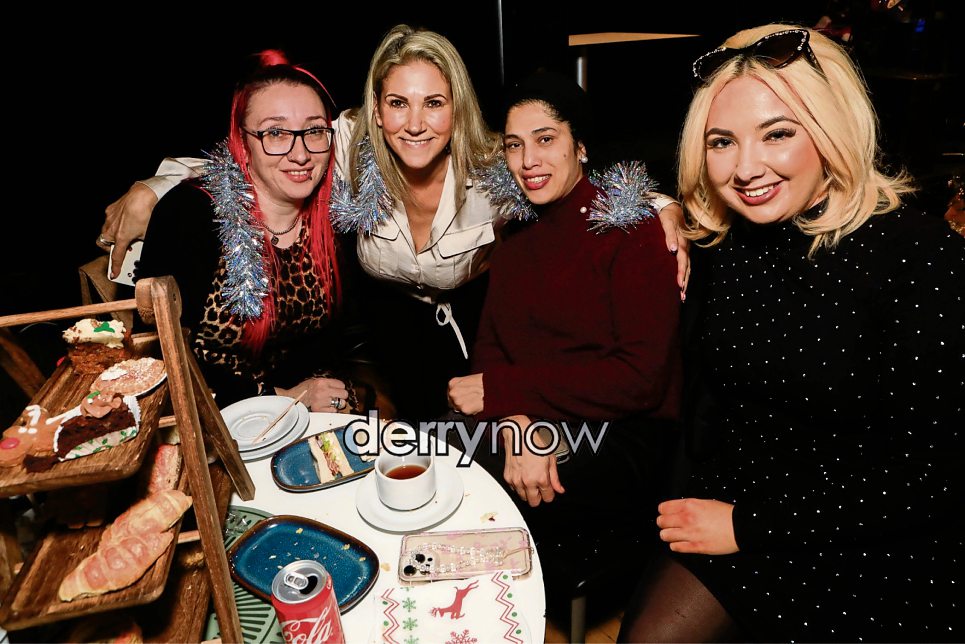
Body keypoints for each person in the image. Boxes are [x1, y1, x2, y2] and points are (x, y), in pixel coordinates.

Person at [97, 25, 688, 420]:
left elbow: (566, 175)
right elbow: (262, 149)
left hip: (474, 323)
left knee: (470, 447)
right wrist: (155, 188)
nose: (415, 123)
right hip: (390, 325)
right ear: (375, 110)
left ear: (457, 108)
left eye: (434, 103)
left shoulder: (493, 168)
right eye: (398, 103)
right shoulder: (346, 144)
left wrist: (661, 205)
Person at [619, 25, 964, 642]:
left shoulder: (922, 257)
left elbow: (936, 476)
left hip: (877, 536)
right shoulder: (729, 242)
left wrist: (749, 527)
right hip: (737, 502)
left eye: (778, 134)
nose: (746, 168)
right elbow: (578, 166)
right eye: (722, 142)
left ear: (830, 129)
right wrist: (658, 204)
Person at [447, 71, 682, 592]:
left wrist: (505, 393)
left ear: (581, 146)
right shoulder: (517, 232)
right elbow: (491, 346)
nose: (528, 160)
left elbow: (639, 380)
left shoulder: (632, 230)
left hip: (624, 431)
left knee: (471, 487)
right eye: (515, 145)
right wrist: (516, 423)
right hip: (536, 411)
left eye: (546, 139)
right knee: (433, 458)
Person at [135, 50, 388, 413]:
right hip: (209, 415)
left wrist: (339, 395)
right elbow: (156, 354)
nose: (301, 154)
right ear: (243, 142)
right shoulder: (191, 216)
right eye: (276, 132)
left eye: (314, 130)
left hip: (306, 417)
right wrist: (281, 397)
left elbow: (337, 343)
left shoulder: (335, 219)